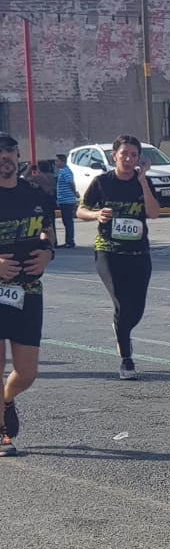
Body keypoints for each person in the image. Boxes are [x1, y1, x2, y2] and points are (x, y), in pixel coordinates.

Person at [76, 135, 160, 380]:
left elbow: (154, 213)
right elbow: (80, 210)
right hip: (109, 251)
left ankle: (120, 327)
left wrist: (143, 182)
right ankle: (126, 359)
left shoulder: (143, 182)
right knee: (122, 302)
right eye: (124, 154)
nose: (129, 159)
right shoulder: (102, 182)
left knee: (136, 309)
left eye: (134, 155)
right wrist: (96, 215)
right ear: (114, 156)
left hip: (138, 253)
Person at [0, 132, 55, 456]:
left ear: (17, 155)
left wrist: (48, 253)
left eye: (9, 151)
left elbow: (48, 232)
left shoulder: (35, 193)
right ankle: (1, 434)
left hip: (28, 292)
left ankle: (7, 399)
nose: (4, 157)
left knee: (26, 373)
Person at [54, 154, 79, 248]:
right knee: (66, 221)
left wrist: (74, 193)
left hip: (67, 200)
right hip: (63, 200)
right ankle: (68, 241)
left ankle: (70, 241)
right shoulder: (62, 171)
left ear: (62, 161)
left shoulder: (66, 171)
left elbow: (70, 183)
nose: (56, 163)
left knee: (68, 221)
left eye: (57, 161)